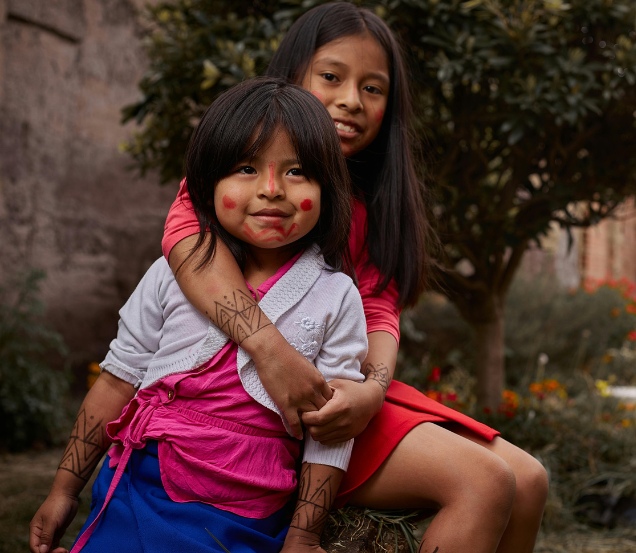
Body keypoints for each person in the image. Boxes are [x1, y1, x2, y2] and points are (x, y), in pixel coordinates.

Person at [163, 4, 550, 552]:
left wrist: (372, 390)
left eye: (373, 88)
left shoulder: (372, 201)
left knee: (529, 479)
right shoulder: (238, 171)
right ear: (291, 76)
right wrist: (274, 355)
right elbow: (185, 246)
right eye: (331, 77)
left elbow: (379, 306)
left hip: (339, 391)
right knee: (482, 482)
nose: (351, 100)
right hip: (245, 398)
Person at [29, 78, 367, 553]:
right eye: (246, 168)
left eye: (297, 172)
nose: (271, 190)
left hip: (248, 514)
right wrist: (64, 489)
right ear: (207, 183)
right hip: (143, 489)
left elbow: (329, 435)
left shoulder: (335, 297)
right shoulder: (171, 274)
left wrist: (303, 535)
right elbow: (116, 380)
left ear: (327, 188)